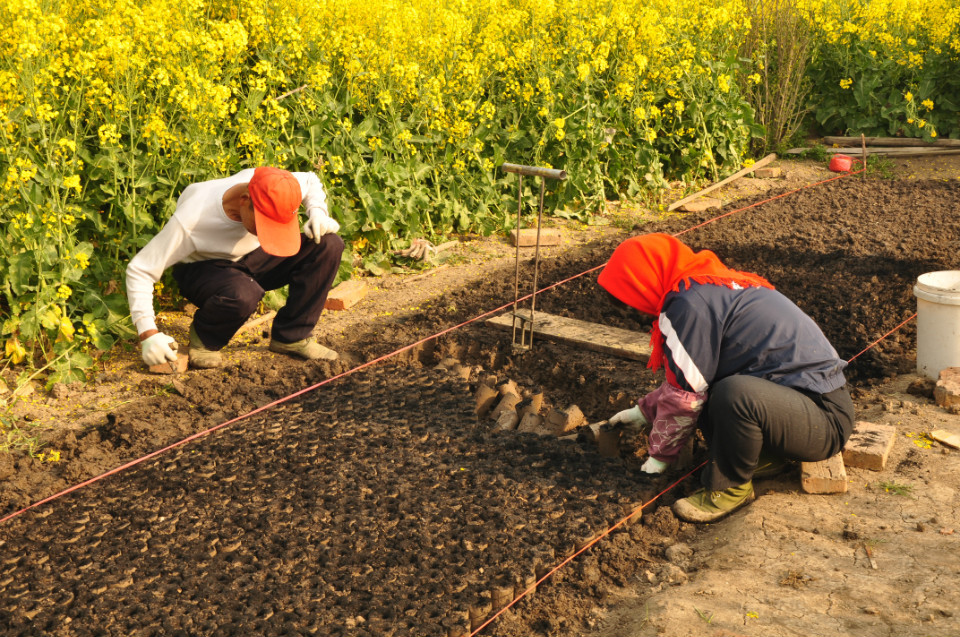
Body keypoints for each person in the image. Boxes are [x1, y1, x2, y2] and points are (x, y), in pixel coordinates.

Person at [598, 234, 854, 523]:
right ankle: (762, 458)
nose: (638, 312)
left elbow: (685, 400)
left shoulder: (687, 303)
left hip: (822, 421)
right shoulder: (709, 285)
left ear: (641, 281)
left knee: (735, 394)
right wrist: (643, 412)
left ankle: (731, 487)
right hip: (799, 408)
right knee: (718, 388)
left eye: (632, 301)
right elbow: (691, 380)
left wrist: (657, 460)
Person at [127, 166, 345, 370]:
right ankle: (204, 339)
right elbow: (140, 269)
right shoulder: (192, 220)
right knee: (244, 293)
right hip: (204, 268)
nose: (269, 232)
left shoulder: (274, 185)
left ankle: (292, 336)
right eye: (265, 225)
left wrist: (317, 213)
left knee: (328, 244)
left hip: (253, 256)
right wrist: (148, 334)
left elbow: (310, 179)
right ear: (244, 200)